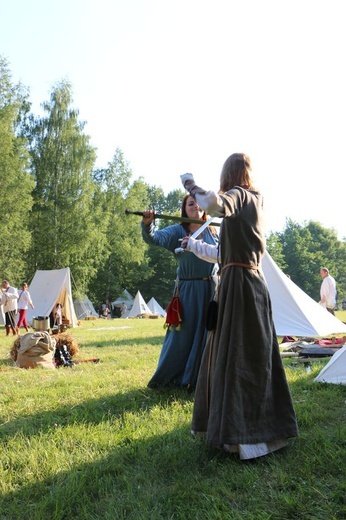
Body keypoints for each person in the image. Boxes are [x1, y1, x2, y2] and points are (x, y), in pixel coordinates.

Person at [181, 153, 298, 460]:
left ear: (229, 175)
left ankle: (249, 437)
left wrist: (190, 185)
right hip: (237, 282)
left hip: (243, 286)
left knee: (242, 356)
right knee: (230, 354)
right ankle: (231, 433)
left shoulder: (243, 196)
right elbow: (221, 253)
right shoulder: (245, 207)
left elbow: (211, 205)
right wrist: (192, 245)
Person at [141, 194, 219, 389]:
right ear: (184, 209)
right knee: (182, 336)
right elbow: (154, 239)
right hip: (188, 291)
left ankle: (201, 379)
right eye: (190, 204)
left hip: (211, 288)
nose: (195, 207)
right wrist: (148, 224)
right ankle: (171, 378)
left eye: (198, 203)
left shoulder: (213, 230)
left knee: (207, 334)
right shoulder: (178, 230)